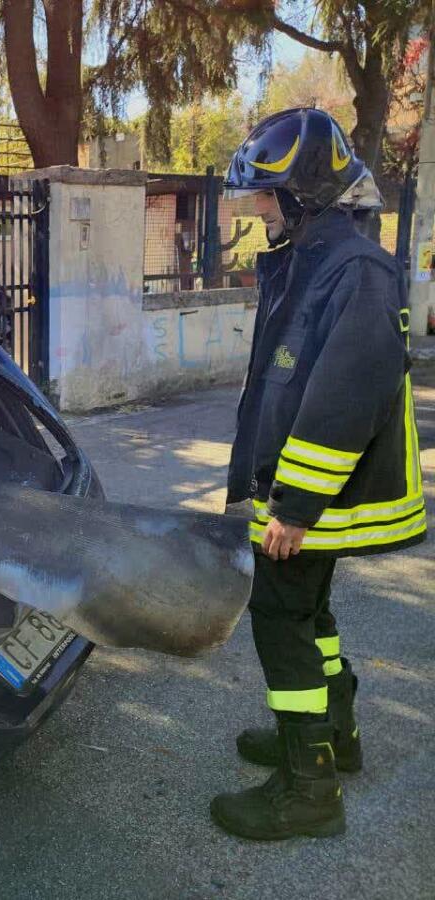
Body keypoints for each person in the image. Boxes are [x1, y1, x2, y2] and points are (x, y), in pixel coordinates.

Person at [214, 107, 425, 840]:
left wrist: (295, 506)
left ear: (302, 196)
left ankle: (309, 786)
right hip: (307, 496)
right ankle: (340, 735)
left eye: (266, 197)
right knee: (312, 615)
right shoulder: (316, 257)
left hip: (318, 498)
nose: (258, 211)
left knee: (281, 618)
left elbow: (345, 395)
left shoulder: (351, 267)